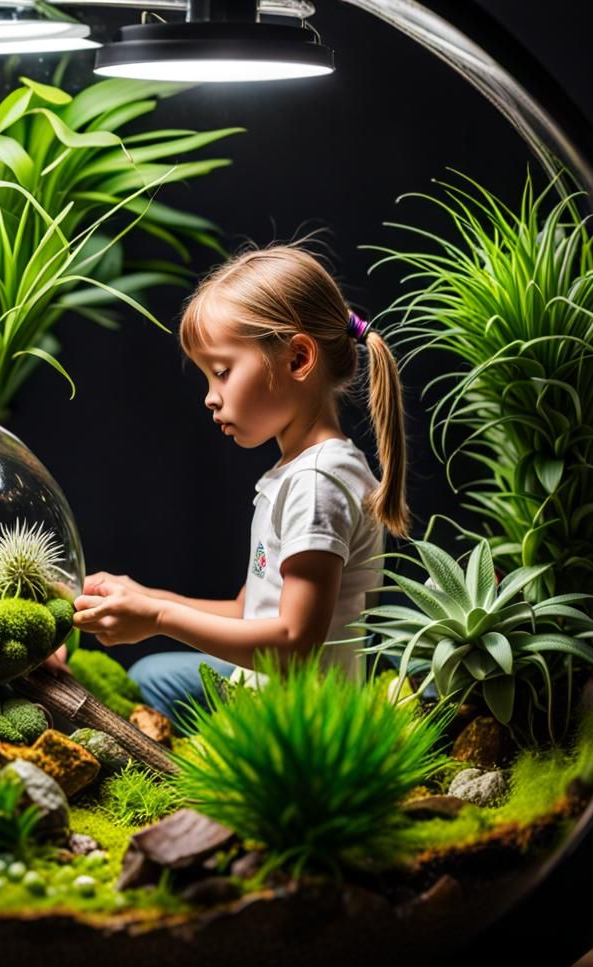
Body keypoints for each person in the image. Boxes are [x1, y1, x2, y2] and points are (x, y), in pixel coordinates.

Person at [70, 243, 411, 724]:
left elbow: (293, 644)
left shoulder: (318, 484)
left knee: (150, 680)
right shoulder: (302, 472)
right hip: (268, 692)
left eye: (223, 372)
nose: (211, 398)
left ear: (296, 359)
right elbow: (248, 611)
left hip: (296, 722)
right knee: (152, 674)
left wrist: (158, 620)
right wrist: (146, 599)